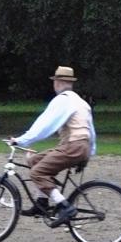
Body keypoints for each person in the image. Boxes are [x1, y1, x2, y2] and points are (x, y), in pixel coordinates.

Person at [9, 66, 96, 228]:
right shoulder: (81, 102)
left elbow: (43, 126)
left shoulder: (63, 100)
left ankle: (65, 206)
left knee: (37, 173)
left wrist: (21, 140)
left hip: (72, 146)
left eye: (54, 81)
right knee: (35, 160)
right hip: (82, 146)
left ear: (58, 82)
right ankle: (41, 203)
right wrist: (89, 153)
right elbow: (92, 131)